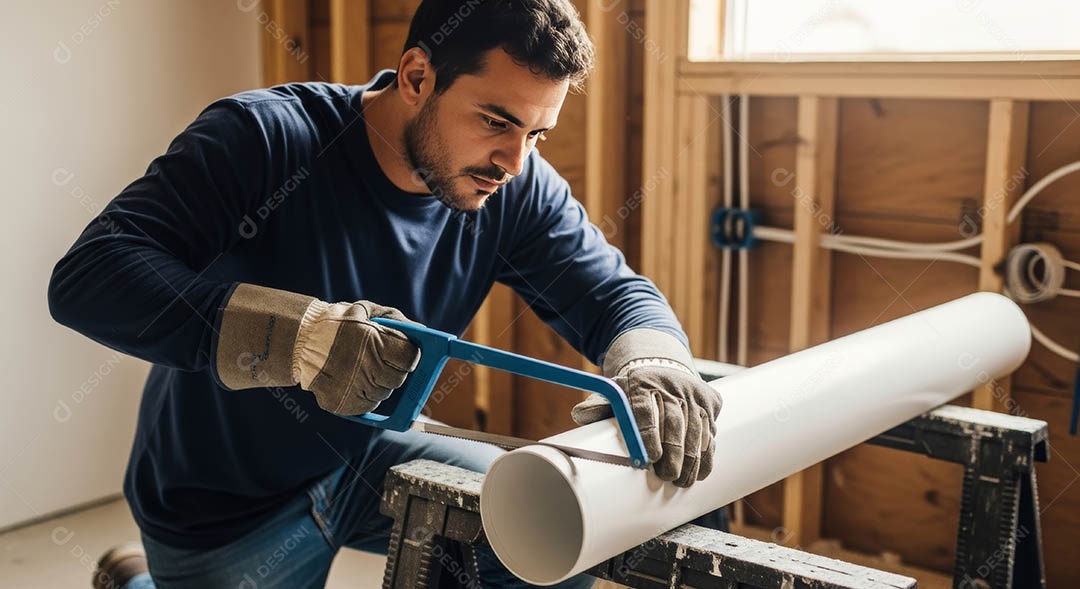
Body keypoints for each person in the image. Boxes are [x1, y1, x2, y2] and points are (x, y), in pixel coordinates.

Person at [48, 1, 724, 587]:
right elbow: (90, 275)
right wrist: (295, 336)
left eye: (536, 132)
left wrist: (653, 359)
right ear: (416, 76)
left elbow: (611, 291)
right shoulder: (265, 137)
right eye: (495, 120)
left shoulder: (514, 185)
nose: (514, 161)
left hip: (373, 451)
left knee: (548, 532)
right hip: (226, 497)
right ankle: (134, 576)